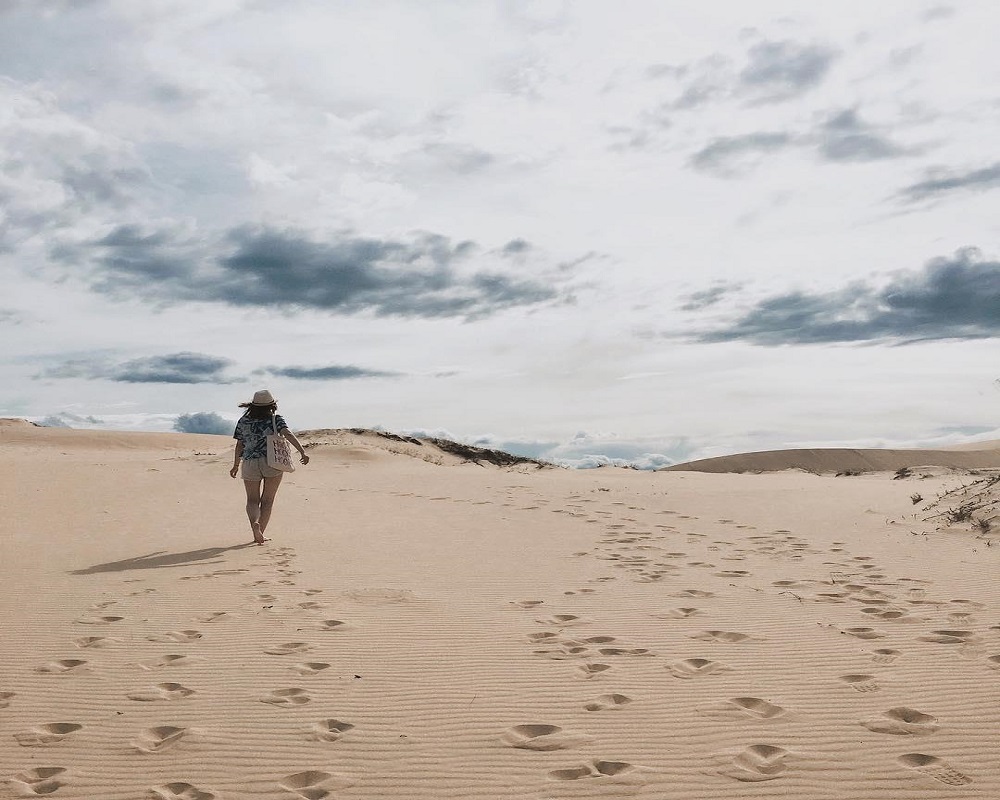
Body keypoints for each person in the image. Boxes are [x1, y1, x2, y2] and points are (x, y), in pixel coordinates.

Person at [229, 390, 309, 544]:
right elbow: (288, 434)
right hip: (273, 461)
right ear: (272, 405)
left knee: (252, 500)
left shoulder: (243, 421)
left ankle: (254, 524)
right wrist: (302, 451)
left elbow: (239, 444)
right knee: (268, 500)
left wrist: (235, 465)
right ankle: (260, 533)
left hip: (250, 462)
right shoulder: (275, 419)